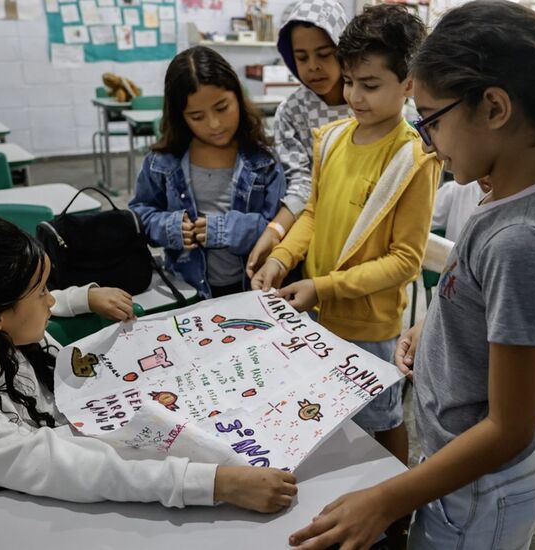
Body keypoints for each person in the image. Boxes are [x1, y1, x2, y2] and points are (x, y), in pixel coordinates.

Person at [288, 1, 535, 548]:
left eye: (432, 120)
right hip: (462, 465)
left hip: (482, 484)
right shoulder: (505, 189)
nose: (427, 141)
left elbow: (508, 428)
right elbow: (482, 295)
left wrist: (387, 498)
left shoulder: (521, 240)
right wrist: (434, 324)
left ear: (493, 108)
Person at [0, 214, 297, 512]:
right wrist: (216, 485)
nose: (52, 301)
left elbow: (40, 302)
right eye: (42, 291)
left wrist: (84, 298)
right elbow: (85, 470)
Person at [252, 4, 437, 468]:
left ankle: (394, 501)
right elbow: (313, 214)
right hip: (317, 312)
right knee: (329, 412)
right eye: (350, 81)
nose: (354, 96)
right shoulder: (332, 139)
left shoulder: (414, 157)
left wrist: (324, 287)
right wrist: (280, 257)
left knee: (381, 419)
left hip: (369, 326)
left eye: (370, 85)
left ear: (409, 83)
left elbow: (405, 260)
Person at [129, 46, 285, 300]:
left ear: (238, 96)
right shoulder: (162, 162)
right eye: (197, 116)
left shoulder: (264, 161)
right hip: (186, 292)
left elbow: (279, 227)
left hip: (251, 290)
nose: (214, 124)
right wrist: (168, 227)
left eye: (222, 108)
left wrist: (225, 230)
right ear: (181, 117)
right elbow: (138, 216)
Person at [246, 0, 351, 277]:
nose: (313, 66)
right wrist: (275, 230)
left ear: (344, 51)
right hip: (313, 234)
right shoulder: (292, 112)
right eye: (302, 58)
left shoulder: (366, 101)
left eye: (324, 54)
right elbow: (302, 184)